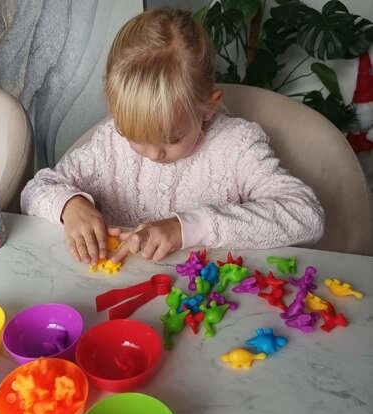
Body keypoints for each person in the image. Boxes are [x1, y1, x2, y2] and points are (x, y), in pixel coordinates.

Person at [21, 8, 324, 266]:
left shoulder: (237, 146)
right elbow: (35, 190)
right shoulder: (109, 143)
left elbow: (306, 215)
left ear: (207, 109)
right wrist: (70, 205)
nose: (154, 154)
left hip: (209, 298)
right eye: (134, 136)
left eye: (173, 138)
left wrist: (188, 228)